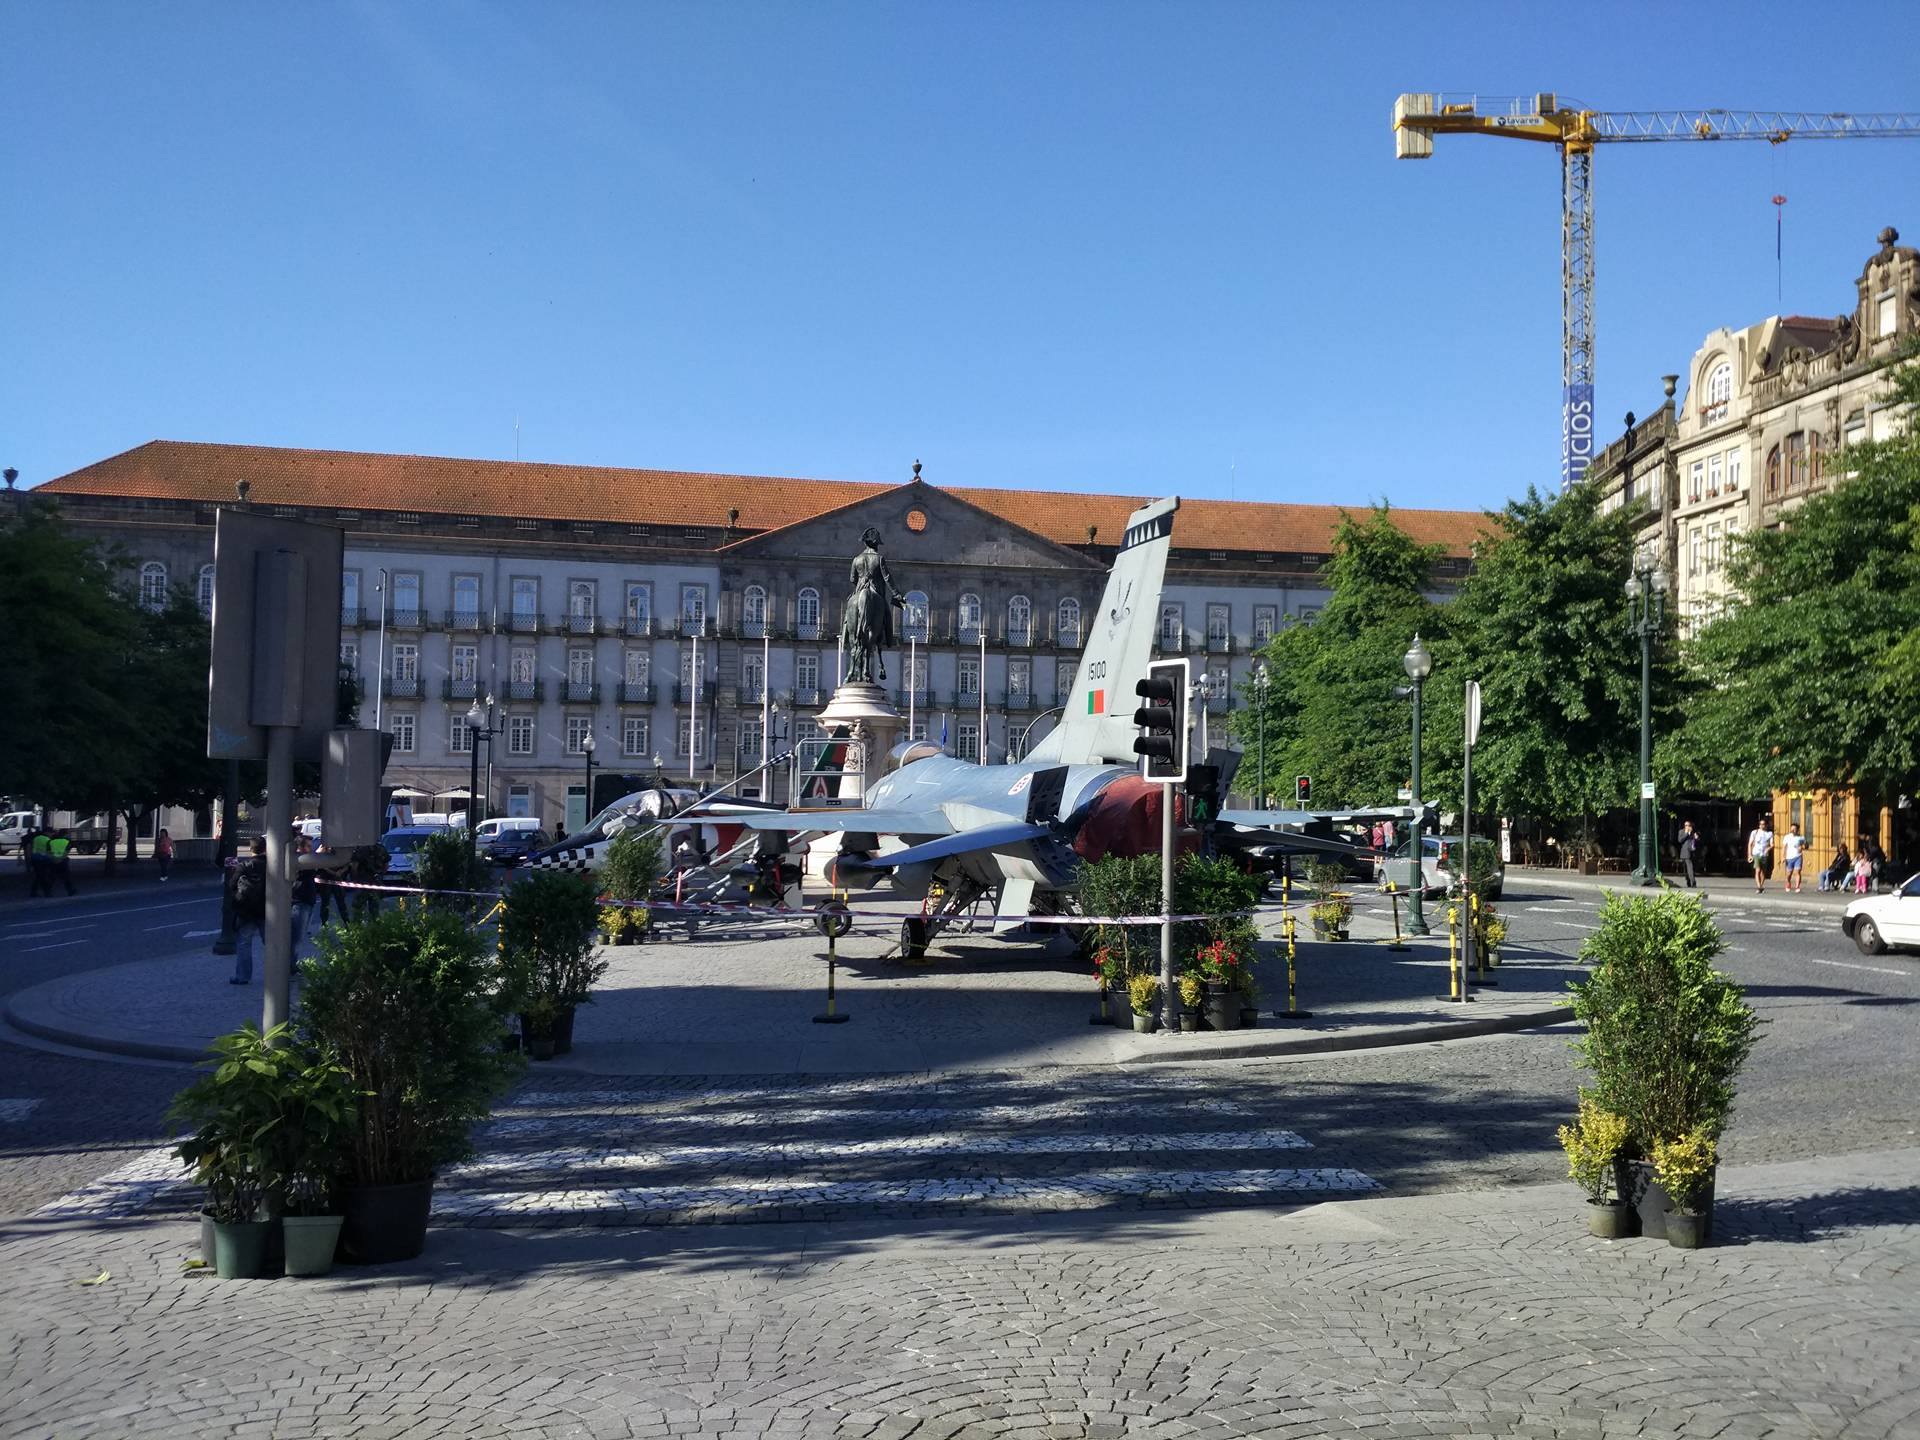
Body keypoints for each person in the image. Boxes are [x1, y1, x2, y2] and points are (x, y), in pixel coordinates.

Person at [229, 836, 267, 985]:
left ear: (251, 849)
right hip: (267, 908)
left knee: (244, 943)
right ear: (265, 848)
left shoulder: (244, 865)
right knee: (272, 943)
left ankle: (243, 976)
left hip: (247, 910)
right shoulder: (271, 864)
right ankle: (278, 973)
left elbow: (232, 885)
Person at [1746, 816, 1774, 894]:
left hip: (1764, 854)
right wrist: (1749, 854)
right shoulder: (1754, 832)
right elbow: (1750, 844)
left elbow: (1772, 844)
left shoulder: (1769, 834)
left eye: (1764, 824)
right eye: (1761, 824)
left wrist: (1768, 848)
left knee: (1763, 872)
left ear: (1766, 825)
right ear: (1759, 825)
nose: (1762, 826)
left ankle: (1761, 886)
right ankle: (1759, 886)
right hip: (1756, 853)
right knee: (1757, 870)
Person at [47, 828, 77, 896]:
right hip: (62, 861)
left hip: (53, 861)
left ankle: (48, 891)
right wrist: (60, 858)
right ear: (65, 834)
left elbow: (48, 852)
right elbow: (66, 852)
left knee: (52, 877)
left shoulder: (50, 841)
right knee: (66, 877)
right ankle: (70, 890)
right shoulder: (67, 841)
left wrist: (54, 858)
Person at [27, 825, 53, 898]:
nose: (51, 835)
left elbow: (31, 847)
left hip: (35, 858)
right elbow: (49, 851)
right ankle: (46, 892)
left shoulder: (36, 838)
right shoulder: (48, 840)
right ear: (47, 833)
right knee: (44, 876)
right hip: (44, 859)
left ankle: (34, 892)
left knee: (38, 876)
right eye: (51, 833)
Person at [1781, 822, 1807, 892]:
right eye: (1792, 828)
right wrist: (1783, 857)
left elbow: (1806, 846)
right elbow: (1784, 847)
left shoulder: (1801, 837)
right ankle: (1788, 883)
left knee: (1797, 872)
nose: (1793, 830)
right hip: (1789, 857)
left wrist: (1802, 847)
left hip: (1798, 856)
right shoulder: (1787, 837)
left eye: (1794, 829)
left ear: (1797, 830)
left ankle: (1797, 886)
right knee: (1789, 873)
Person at [1677, 820, 1701, 889]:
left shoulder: (1693, 832)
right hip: (1684, 852)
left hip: (1691, 853)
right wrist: (1687, 833)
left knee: (1690, 868)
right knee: (1685, 870)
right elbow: (1680, 840)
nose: (1687, 827)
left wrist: (1697, 838)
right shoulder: (1681, 832)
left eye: (1689, 825)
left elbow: (1697, 841)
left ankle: (1693, 882)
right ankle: (1688, 881)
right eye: (1686, 825)